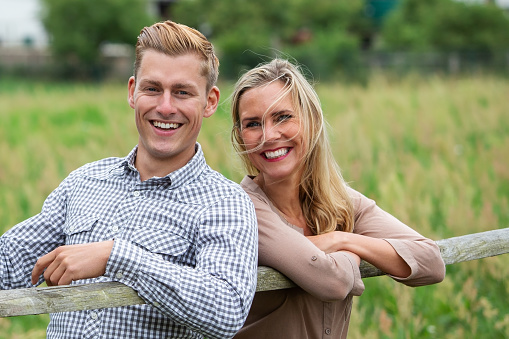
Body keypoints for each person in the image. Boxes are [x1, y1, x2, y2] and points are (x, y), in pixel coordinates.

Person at [0, 21, 258, 339]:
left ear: (210, 101)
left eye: (182, 92)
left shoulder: (224, 203)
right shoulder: (84, 182)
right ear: (132, 91)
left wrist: (115, 257)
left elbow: (226, 309)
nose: (165, 107)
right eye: (152, 89)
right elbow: (11, 262)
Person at [230, 58, 446, 338]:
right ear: (240, 137)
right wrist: (353, 254)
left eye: (282, 117)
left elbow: (430, 262)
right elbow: (331, 281)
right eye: (253, 124)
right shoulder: (242, 209)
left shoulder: (340, 201)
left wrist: (341, 239)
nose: (268, 135)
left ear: (312, 119)